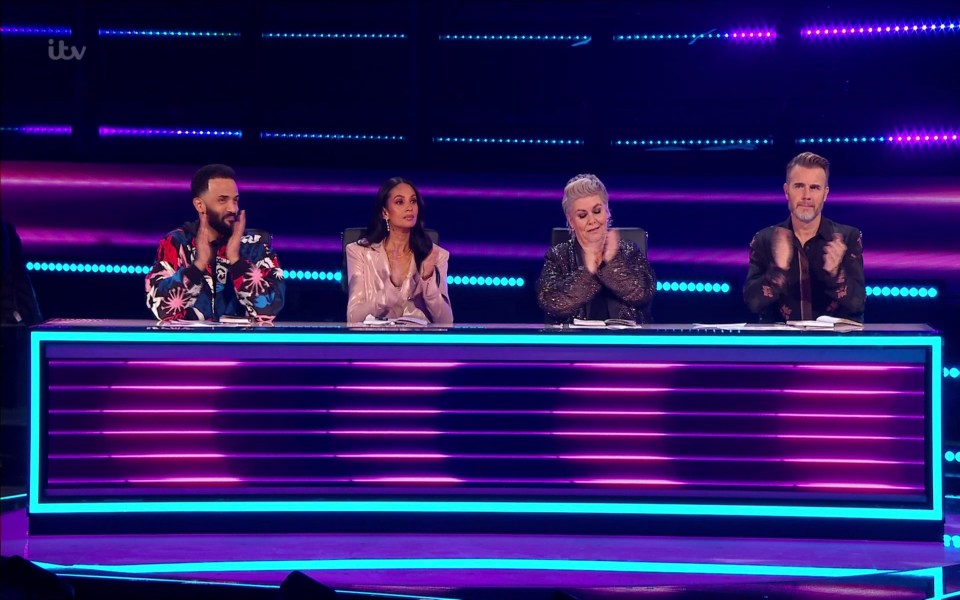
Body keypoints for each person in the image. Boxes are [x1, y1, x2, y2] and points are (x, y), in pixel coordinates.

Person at [145, 164, 285, 322]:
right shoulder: (176, 243)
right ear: (200, 205)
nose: (233, 208)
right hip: (189, 344)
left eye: (235, 200)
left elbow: (270, 309)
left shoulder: (256, 244)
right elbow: (162, 310)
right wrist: (197, 267)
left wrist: (237, 261)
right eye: (222, 200)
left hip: (242, 344)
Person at [744, 152, 865, 323]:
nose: (806, 195)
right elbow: (752, 303)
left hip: (834, 346)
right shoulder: (764, 239)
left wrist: (836, 274)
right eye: (799, 186)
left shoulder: (847, 238)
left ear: (825, 193)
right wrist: (777, 272)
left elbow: (858, 304)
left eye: (815, 187)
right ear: (787, 191)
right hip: (781, 346)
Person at [537, 173, 656, 324]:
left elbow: (642, 294)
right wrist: (589, 271)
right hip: (574, 345)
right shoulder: (558, 256)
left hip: (624, 344)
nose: (592, 220)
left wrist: (611, 263)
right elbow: (551, 303)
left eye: (597, 211)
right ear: (571, 221)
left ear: (607, 212)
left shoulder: (629, 250)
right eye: (582, 215)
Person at [346, 177, 453, 324]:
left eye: (413, 201)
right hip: (376, 342)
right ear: (385, 212)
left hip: (419, 342)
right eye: (399, 202)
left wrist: (428, 281)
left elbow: (447, 321)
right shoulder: (359, 252)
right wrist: (392, 286)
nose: (409, 208)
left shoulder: (436, 255)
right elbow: (353, 318)